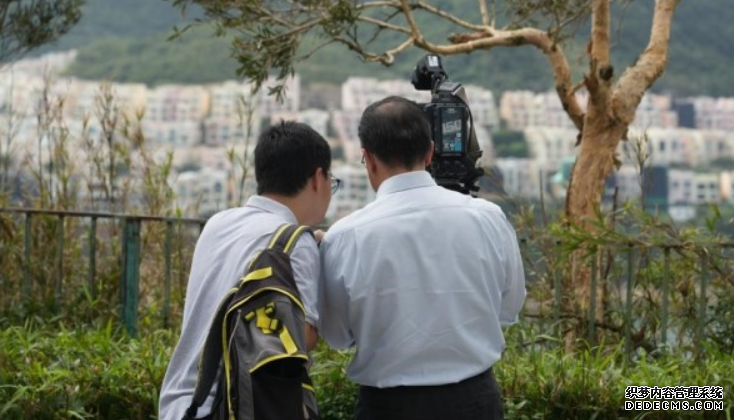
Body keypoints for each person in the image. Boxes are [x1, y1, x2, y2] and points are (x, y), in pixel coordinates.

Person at [317, 96, 526, 420]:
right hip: (475, 402)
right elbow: (509, 307)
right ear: (430, 152)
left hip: (387, 408)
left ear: (368, 158)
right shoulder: (489, 218)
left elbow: (337, 335)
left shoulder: (345, 237)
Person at [160, 121, 338, 420]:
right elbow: (300, 339)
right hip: (231, 405)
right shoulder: (295, 242)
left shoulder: (218, 223)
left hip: (181, 402)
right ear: (318, 178)